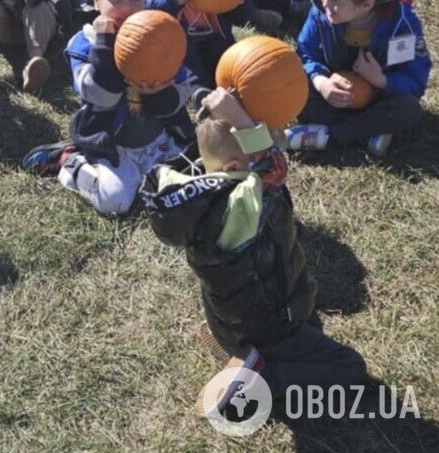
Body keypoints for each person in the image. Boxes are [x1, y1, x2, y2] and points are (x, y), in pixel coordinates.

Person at [142, 88, 368, 416]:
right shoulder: (242, 201)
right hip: (267, 327)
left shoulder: (195, 193)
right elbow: (273, 169)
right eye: (262, 144)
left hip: (229, 321)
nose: (273, 148)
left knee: (306, 323)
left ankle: (236, 350)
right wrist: (241, 121)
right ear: (236, 164)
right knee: (351, 369)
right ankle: (261, 376)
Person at [23, 0, 204, 215]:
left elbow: (182, 92)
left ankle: (150, 172)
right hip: (112, 143)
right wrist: (105, 45)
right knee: (115, 202)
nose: (126, 9)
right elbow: (101, 95)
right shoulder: (84, 44)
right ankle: (69, 163)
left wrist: (157, 95)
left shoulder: (160, 35)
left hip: (157, 138)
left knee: (196, 180)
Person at [286, 0, 431, 156]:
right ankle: (368, 133)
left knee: (408, 110)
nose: (326, 1)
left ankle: (328, 137)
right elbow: (305, 52)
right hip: (333, 97)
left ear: (366, 5)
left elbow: (416, 79)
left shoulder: (401, 25)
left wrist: (381, 81)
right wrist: (321, 82)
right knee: (293, 88)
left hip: (379, 99)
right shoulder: (322, 10)